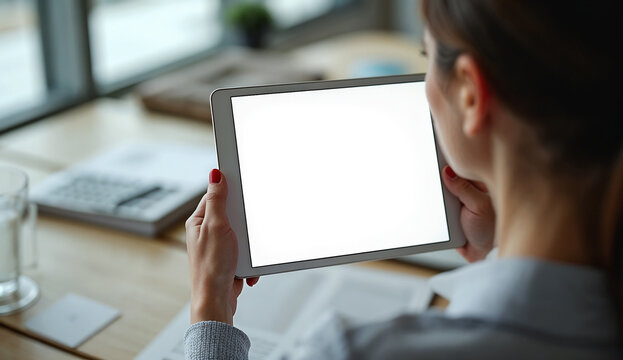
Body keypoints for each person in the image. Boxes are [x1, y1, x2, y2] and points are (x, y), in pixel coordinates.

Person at [183, 1, 622, 359]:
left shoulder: (352, 352)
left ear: (470, 94)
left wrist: (210, 309)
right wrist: (498, 251)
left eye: (427, 58)